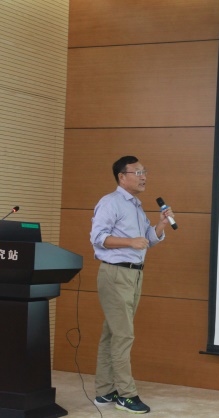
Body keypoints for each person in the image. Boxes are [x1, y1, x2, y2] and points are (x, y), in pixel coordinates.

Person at [90, 155, 174, 414]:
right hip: (116, 274)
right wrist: (130, 242)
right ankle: (126, 395)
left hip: (133, 275)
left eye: (144, 171)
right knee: (123, 335)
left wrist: (160, 226)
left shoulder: (136, 205)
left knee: (113, 334)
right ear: (121, 177)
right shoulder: (110, 202)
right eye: (137, 172)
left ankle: (105, 391)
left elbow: (146, 239)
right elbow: (98, 237)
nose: (143, 176)